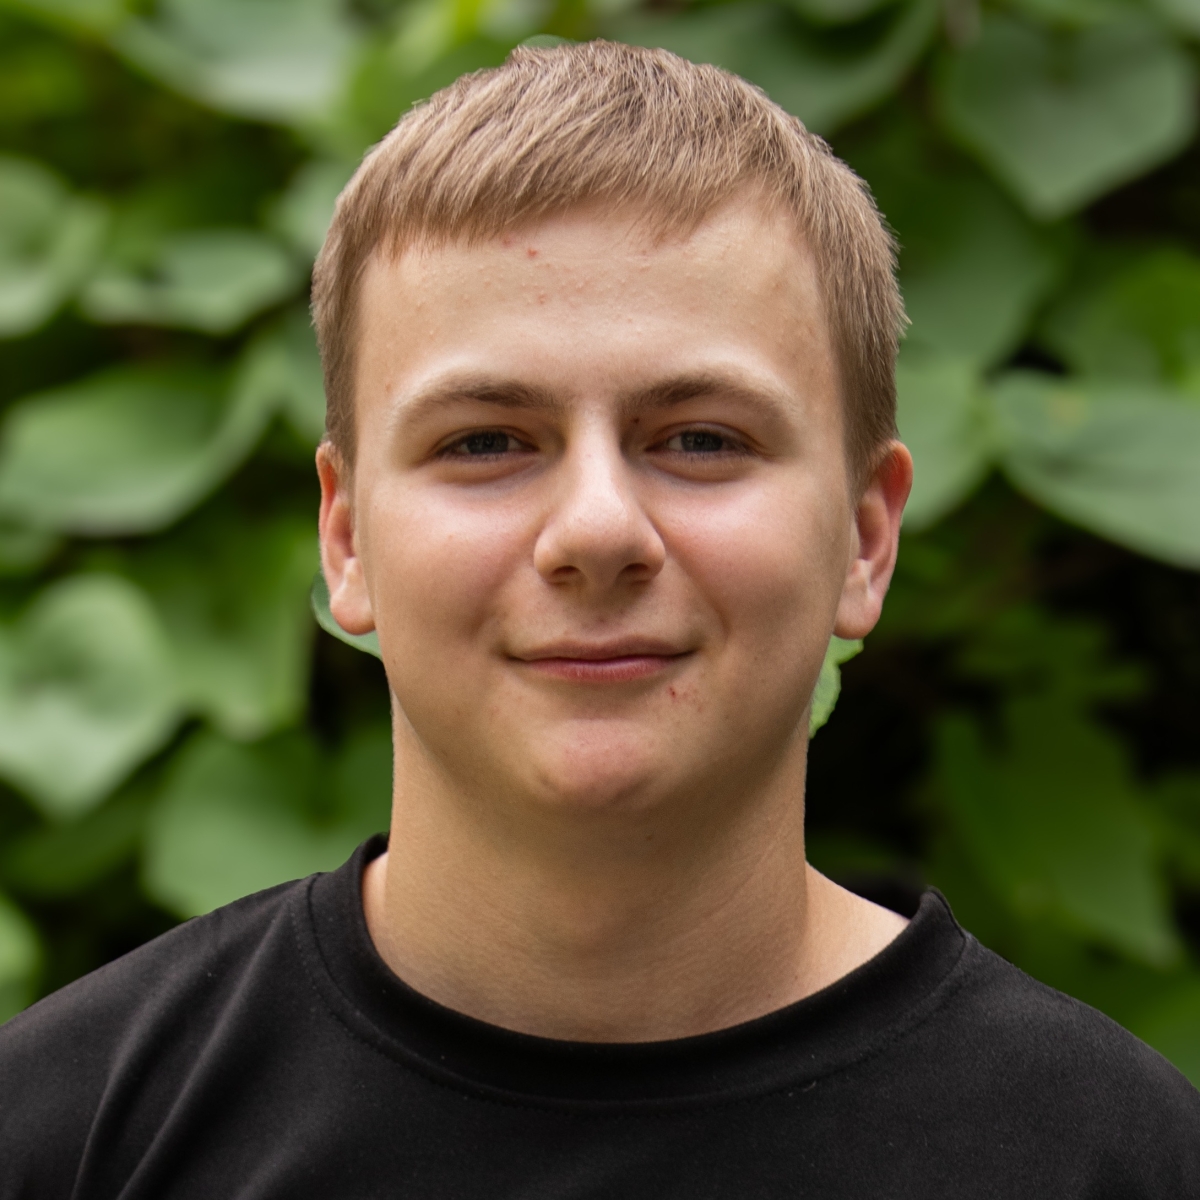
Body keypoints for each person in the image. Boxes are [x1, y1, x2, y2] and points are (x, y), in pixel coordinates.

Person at [1, 40, 1197, 1199]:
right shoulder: (66, 1135)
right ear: (347, 538)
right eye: (486, 441)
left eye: (700, 439)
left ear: (866, 538)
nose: (596, 529)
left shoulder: (1119, 1162)